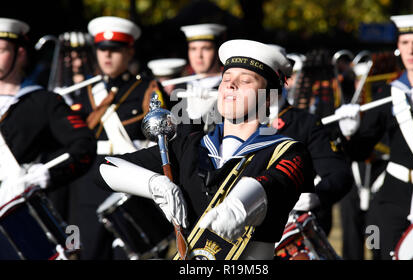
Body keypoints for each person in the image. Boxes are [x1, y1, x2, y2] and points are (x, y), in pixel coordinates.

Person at [99, 39, 316, 260]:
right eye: (227, 79)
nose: (230, 85)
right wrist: (155, 185)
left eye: (246, 81)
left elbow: (274, 184)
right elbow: (106, 168)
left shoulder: (288, 151)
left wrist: (239, 207)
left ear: (268, 97)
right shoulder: (190, 145)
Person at [334, 13, 413, 259]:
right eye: (405, 43)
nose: (411, 50)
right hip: (393, 197)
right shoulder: (390, 92)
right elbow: (359, 152)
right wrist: (348, 132)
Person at [67, 16, 168, 260]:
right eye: (102, 50)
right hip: (90, 181)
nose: (107, 56)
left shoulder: (148, 90)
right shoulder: (83, 92)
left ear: (129, 51)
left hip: (129, 176)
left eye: (115, 50)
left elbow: (160, 138)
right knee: (89, 252)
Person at [0, 17, 96, 212]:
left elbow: (84, 145)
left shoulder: (44, 102)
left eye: (0, 50)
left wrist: (49, 172)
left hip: (18, 211)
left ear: (20, 54)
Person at [265, 48, 353, 236]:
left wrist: (317, 196)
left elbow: (339, 174)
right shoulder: (231, 122)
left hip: (290, 228)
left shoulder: (305, 123)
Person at [177, 23, 226, 132]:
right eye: (193, 49)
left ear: (217, 51)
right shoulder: (179, 87)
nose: (198, 55)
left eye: (206, 48)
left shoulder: (229, 87)